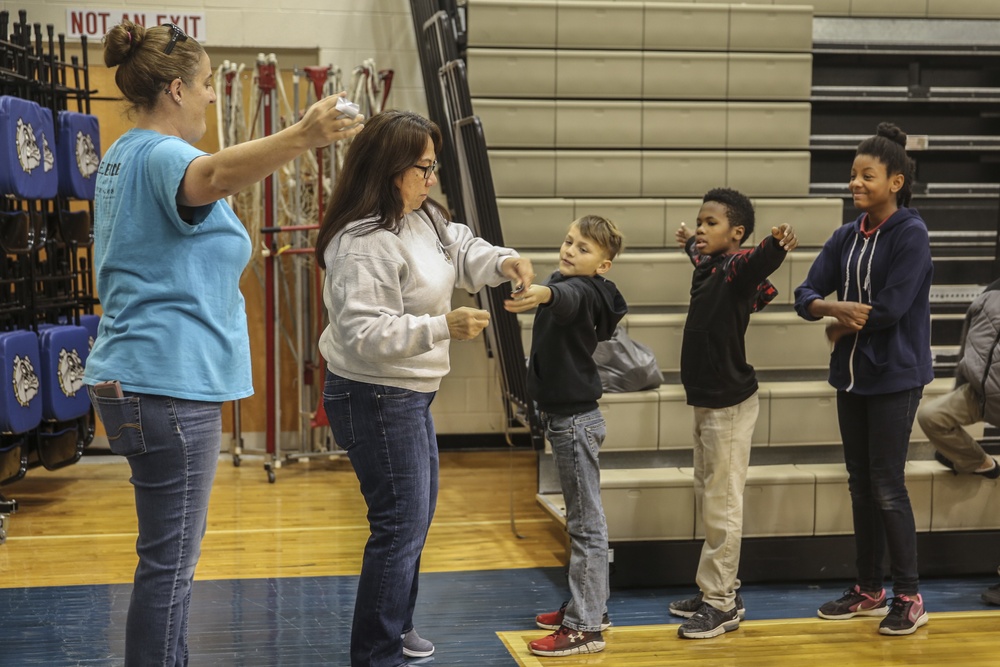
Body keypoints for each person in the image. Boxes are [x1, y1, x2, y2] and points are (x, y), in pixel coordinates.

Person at [83, 20, 363, 666]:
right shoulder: (163, 155)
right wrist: (304, 134)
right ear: (176, 89)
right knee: (169, 566)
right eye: (208, 85)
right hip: (166, 385)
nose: (213, 97)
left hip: (135, 379)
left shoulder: (123, 153)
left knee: (167, 560)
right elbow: (210, 178)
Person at [314, 109, 535, 667]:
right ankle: (376, 652)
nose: (432, 177)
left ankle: (396, 627)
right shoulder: (362, 242)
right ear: (391, 170)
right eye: (424, 167)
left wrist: (503, 261)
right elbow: (363, 333)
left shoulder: (422, 216)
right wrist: (443, 327)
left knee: (413, 518)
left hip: (406, 392)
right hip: (374, 393)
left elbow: (459, 248)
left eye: (434, 166)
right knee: (398, 526)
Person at [794, 122, 933, 636]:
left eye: (866, 175)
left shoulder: (911, 234)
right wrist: (828, 309)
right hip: (851, 379)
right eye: (853, 174)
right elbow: (803, 292)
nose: (855, 182)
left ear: (895, 182)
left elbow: (892, 308)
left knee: (887, 487)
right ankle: (869, 588)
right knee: (860, 486)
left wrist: (838, 322)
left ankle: (910, 595)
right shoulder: (846, 236)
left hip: (896, 378)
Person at [669, 188, 796, 639]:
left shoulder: (736, 268)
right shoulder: (710, 265)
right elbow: (700, 254)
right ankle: (717, 589)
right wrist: (691, 239)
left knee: (723, 507)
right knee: (710, 499)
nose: (700, 230)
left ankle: (721, 604)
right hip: (706, 402)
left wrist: (776, 244)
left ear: (737, 233)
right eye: (698, 222)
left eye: (710, 224)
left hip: (728, 404)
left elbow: (756, 264)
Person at [503, 215, 628, 657]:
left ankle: (585, 627)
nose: (571, 250)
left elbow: (566, 297)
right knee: (583, 522)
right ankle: (591, 605)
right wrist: (543, 289)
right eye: (569, 241)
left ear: (603, 266)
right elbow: (560, 288)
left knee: (585, 526)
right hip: (568, 419)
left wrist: (543, 293)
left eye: (584, 248)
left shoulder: (583, 291)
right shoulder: (575, 282)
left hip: (574, 422)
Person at [916, 277, 1000, 480]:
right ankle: (978, 461)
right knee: (931, 416)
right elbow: (969, 342)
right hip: (981, 393)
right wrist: (959, 387)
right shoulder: (992, 292)